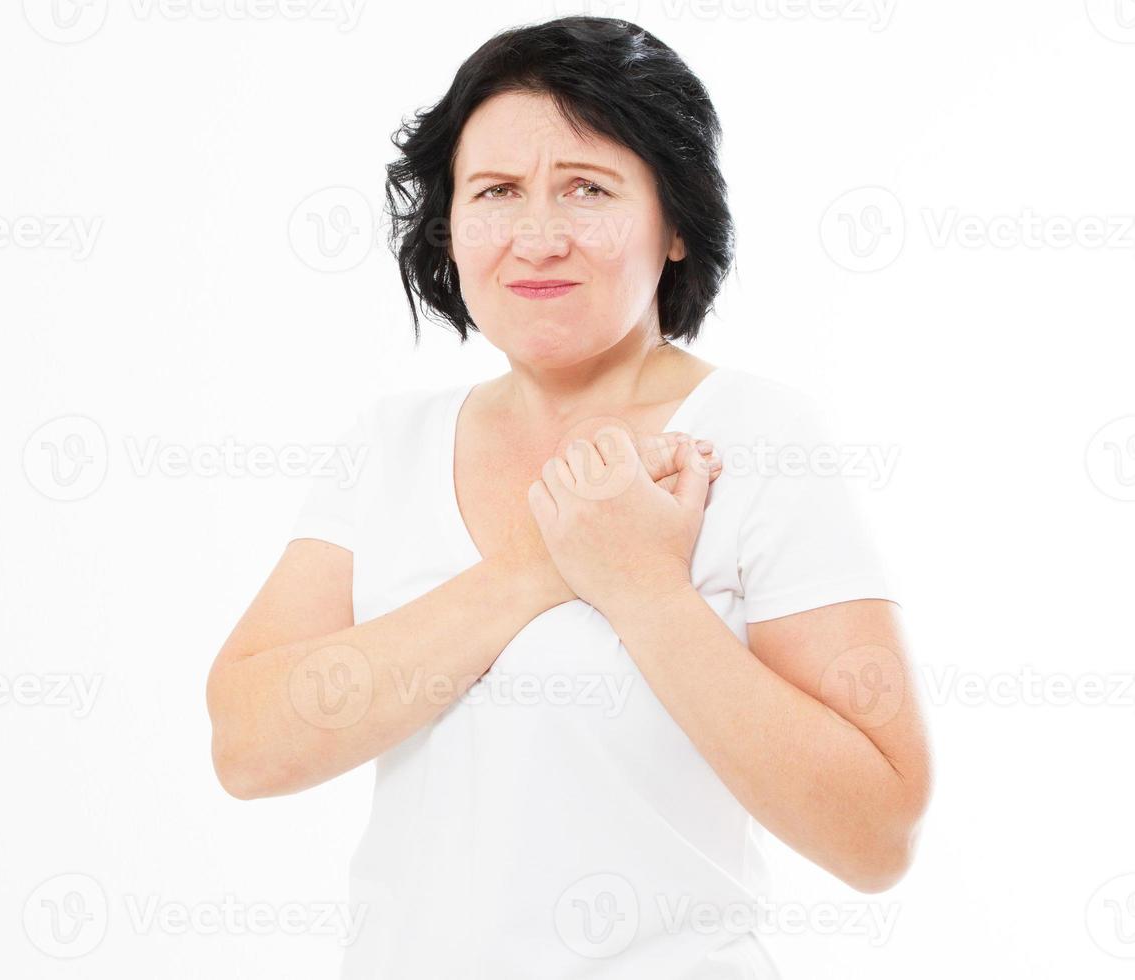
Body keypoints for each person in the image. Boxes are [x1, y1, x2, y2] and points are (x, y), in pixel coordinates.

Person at [206, 16, 932, 978]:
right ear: (450, 226)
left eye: (587, 189)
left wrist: (643, 588)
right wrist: (544, 567)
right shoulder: (391, 445)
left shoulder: (757, 439)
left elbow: (878, 832)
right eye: (497, 192)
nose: (538, 236)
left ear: (674, 223)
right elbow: (248, 744)